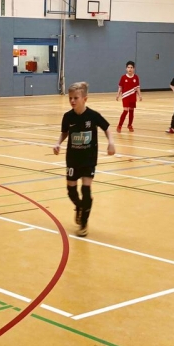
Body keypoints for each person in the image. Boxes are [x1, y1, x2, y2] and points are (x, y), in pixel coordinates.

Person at [53, 82, 115, 237]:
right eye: (70, 98)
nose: (72, 101)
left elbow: (107, 128)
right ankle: (80, 206)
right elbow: (65, 132)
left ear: (85, 99)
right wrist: (58, 143)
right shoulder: (68, 117)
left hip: (88, 158)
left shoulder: (93, 116)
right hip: (72, 158)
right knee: (71, 191)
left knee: (86, 189)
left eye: (76, 98)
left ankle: (84, 222)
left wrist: (111, 142)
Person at [116, 61, 141, 133]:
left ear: (134, 68)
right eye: (128, 67)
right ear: (126, 68)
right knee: (125, 110)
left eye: (131, 67)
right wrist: (118, 94)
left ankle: (130, 125)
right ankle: (119, 125)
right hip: (125, 96)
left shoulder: (136, 77)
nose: (130, 69)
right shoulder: (123, 77)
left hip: (133, 96)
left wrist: (140, 95)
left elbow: (137, 87)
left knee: (131, 111)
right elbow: (120, 87)